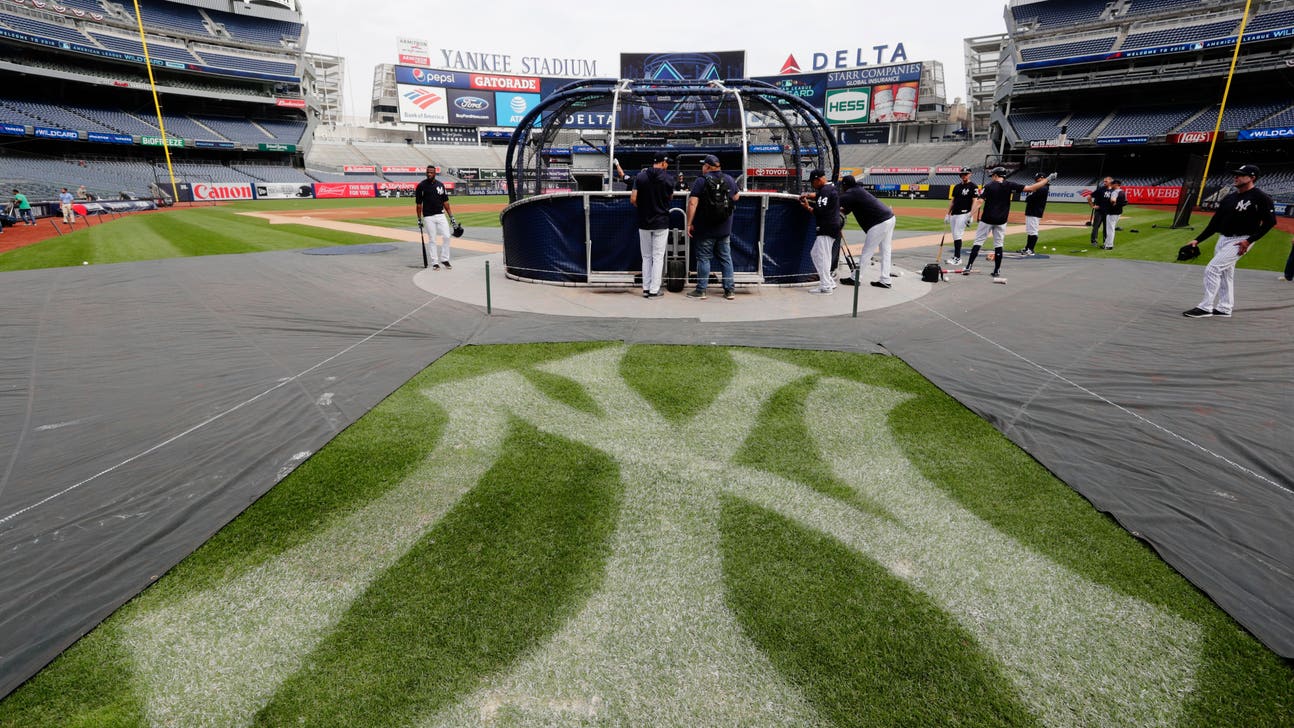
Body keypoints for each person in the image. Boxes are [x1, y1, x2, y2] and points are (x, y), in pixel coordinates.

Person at [1182, 164, 1276, 318]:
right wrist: (1197, 240)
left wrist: (1249, 241)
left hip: (1241, 240)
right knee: (1226, 274)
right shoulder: (1229, 198)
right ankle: (1225, 308)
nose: (1236, 177)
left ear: (1252, 178)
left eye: (1241, 174)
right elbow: (1215, 223)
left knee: (1212, 269)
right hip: (1223, 238)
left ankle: (1205, 307)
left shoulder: (1261, 197)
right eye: (1235, 174)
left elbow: (1270, 222)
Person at [965, 167, 1052, 278]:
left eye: (992, 176)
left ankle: (969, 266)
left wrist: (970, 215)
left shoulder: (988, 186)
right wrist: (1047, 179)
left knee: (978, 242)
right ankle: (997, 270)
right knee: (998, 244)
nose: (992, 178)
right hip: (1001, 220)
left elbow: (979, 202)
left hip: (987, 219)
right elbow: (1031, 188)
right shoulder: (1010, 185)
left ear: (996, 175)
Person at [685, 154, 739, 300]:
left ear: (708, 167)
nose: (702, 167)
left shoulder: (701, 181)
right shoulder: (729, 179)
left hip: (705, 228)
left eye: (703, 165)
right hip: (724, 227)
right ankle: (729, 291)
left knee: (703, 258)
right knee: (726, 259)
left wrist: (689, 223)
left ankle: (701, 290)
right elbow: (736, 197)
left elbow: (692, 203)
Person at [838, 175, 897, 289]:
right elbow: (847, 209)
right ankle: (885, 280)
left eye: (842, 186)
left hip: (879, 223)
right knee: (886, 251)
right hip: (889, 218)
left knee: (867, 251)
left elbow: (833, 203)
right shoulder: (857, 191)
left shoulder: (851, 193)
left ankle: (855, 278)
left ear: (845, 185)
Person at [631, 153, 675, 298]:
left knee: (646, 257)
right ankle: (654, 289)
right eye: (667, 163)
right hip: (661, 221)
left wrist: (643, 208)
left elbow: (633, 199)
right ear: (663, 163)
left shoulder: (640, 176)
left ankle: (646, 288)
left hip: (644, 221)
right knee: (658, 257)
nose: (667, 165)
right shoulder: (669, 178)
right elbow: (670, 197)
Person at [799, 169, 841, 294]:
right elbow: (818, 196)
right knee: (817, 254)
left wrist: (807, 207)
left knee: (822, 256)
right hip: (831, 227)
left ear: (818, 180)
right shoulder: (829, 188)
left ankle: (826, 286)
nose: (813, 185)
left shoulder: (825, 190)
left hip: (826, 227)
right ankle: (828, 281)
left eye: (813, 182)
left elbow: (819, 211)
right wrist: (808, 195)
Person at [414, 165, 455, 270]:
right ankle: (435, 262)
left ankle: (444, 259)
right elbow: (419, 204)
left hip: (441, 215)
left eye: (431, 172)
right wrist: (419, 219)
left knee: (447, 236)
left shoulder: (440, 185)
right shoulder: (421, 186)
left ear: (435, 173)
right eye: (428, 172)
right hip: (428, 216)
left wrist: (451, 217)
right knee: (432, 239)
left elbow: (445, 202)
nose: (429, 174)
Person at [946, 167, 977, 265]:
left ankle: (958, 258)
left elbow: (975, 201)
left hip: (964, 213)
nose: (964, 176)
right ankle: (956, 256)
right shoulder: (957, 187)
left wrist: (971, 215)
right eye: (963, 174)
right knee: (955, 235)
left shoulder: (973, 186)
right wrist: (948, 214)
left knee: (957, 234)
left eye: (966, 174)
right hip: (954, 213)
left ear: (970, 174)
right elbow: (953, 201)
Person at [1019, 172, 1050, 256]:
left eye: (1038, 178)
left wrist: (1029, 196)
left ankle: (1031, 249)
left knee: (1033, 231)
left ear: (1042, 178)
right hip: (1031, 211)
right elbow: (1029, 196)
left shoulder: (1043, 188)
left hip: (1035, 211)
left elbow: (1029, 198)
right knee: (1030, 231)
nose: (1036, 180)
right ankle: (1027, 248)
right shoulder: (1039, 187)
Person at [1099, 179, 1127, 250]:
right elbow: (1125, 202)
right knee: (1111, 229)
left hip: (1112, 213)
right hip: (1118, 212)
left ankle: (1109, 245)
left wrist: (1113, 203)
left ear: (1116, 184)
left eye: (1112, 184)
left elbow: (1113, 201)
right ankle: (1106, 244)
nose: (1111, 185)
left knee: (1110, 230)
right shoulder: (1122, 192)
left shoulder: (1115, 192)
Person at [1089, 176, 1112, 247]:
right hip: (1099, 212)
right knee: (1096, 227)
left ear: (1110, 182)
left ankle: (1105, 241)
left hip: (1108, 212)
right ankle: (1094, 241)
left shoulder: (1113, 190)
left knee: (1106, 228)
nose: (1104, 183)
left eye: (1106, 181)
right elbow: (1089, 197)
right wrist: (1092, 206)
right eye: (1104, 181)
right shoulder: (1100, 189)